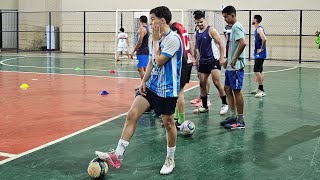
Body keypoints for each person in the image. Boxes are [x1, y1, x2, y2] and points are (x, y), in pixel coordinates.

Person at [95, 6, 182, 175]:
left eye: (152, 19)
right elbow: (150, 61)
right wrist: (144, 80)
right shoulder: (155, 39)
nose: (150, 23)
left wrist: (155, 41)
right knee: (132, 115)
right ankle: (117, 155)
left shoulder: (173, 39)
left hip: (166, 90)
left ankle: (170, 159)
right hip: (151, 87)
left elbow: (159, 60)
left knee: (169, 124)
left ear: (162, 20)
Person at [192, 10, 229, 115]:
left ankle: (224, 104)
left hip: (214, 60)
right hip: (203, 62)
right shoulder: (196, 33)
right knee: (202, 84)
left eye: (201, 22)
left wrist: (221, 58)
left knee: (217, 82)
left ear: (205, 20)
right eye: (197, 22)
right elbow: (196, 47)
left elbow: (221, 44)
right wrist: (195, 58)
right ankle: (204, 107)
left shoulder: (211, 30)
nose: (199, 24)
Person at [220, 5, 247, 129]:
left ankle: (240, 120)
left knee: (237, 91)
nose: (225, 19)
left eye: (226, 17)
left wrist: (235, 58)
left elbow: (243, 43)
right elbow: (233, 46)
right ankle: (233, 116)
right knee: (227, 89)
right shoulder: (232, 28)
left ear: (233, 15)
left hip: (236, 67)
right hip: (230, 66)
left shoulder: (237, 27)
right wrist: (228, 59)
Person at [169, 20, 193, 127]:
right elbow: (189, 42)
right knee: (179, 91)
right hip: (188, 60)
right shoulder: (181, 26)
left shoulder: (174, 29)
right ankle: (176, 117)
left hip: (182, 62)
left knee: (180, 92)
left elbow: (175, 46)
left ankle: (181, 121)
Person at [251, 15, 267, 98]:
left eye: (253, 19)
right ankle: (259, 89)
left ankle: (262, 90)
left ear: (255, 20)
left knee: (256, 70)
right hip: (258, 54)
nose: (252, 20)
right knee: (260, 71)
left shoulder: (259, 29)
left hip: (260, 54)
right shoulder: (257, 29)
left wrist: (261, 49)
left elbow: (264, 38)